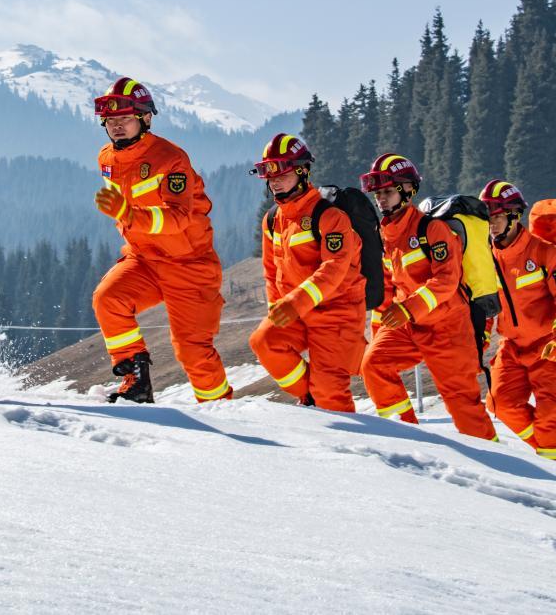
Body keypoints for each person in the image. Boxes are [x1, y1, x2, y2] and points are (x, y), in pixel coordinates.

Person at [91, 77, 230, 404]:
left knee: (193, 351)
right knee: (107, 299)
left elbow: (179, 217)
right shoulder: (106, 159)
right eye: (110, 122)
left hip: (189, 265)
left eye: (124, 119)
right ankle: (135, 382)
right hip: (144, 259)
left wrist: (127, 212)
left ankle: (220, 409)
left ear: (146, 118)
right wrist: (126, 218)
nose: (117, 127)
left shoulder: (171, 158)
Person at [358, 153, 497, 440]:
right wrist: (381, 327)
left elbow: (447, 280)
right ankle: (410, 438)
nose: (380, 199)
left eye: (387, 191)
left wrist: (409, 308)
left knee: (464, 408)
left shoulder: (432, 229)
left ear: (408, 190)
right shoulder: (386, 235)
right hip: (409, 323)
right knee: (373, 365)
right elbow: (388, 285)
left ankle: (506, 473)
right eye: (377, 193)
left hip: (448, 326)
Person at [247, 134, 366, 412]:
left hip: (336, 315)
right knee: (264, 341)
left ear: (301, 171)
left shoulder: (330, 216)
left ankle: (354, 449)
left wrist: (295, 302)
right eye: (268, 172)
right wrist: (277, 307)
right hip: (296, 310)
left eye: (281, 172)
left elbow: (335, 267)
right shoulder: (273, 219)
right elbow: (270, 270)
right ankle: (308, 394)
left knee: (331, 395)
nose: (274, 179)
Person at [480, 180, 556, 461]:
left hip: (552, 348)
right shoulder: (485, 259)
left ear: (514, 215)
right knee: (500, 404)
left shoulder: (546, 253)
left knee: (550, 416)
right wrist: (479, 341)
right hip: (512, 348)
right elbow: (486, 306)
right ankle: (549, 447)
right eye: (487, 218)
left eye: (497, 217)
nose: (491, 224)